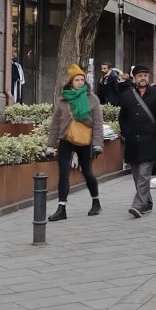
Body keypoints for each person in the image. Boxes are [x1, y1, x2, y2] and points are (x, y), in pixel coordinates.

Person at [45, 64, 104, 221]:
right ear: (70, 82)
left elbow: (98, 123)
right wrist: (50, 145)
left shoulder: (92, 99)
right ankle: (61, 208)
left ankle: (96, 201)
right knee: (63, 173)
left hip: (85, 140)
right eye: (77, 80)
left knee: (87, 172)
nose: (80, 82)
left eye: (82, 80)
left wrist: (98, 144)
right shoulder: (63, 100)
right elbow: (55, 124)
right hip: (66, 139)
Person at [118, 64, 156, 218]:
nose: (143, 78)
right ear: (134, 78)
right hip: (132, 142)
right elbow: (122, 117)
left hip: (149, 141)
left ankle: (138, 205)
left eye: (145, 75)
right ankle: (147, 203)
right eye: (140, 76)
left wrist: (155, 131)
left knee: (144, 175)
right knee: (136, 175)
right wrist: (126, 132)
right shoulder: (127, 95)